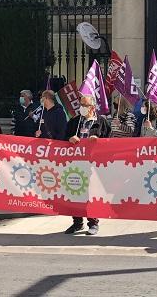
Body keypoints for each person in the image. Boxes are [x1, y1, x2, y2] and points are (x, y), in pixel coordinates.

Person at [64, 95, 106, 235]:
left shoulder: (101, 122)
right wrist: (69, 139)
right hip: (75, 164)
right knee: (75, 193)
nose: (81, 107)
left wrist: (98, 141)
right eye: (80, 104)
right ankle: (77, 222)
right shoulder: (74, 122)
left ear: (92, 107)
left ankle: (93, 223)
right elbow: (63, 140)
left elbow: (110, 142)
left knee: (91, 194)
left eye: (85, 105)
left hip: (93, 166)